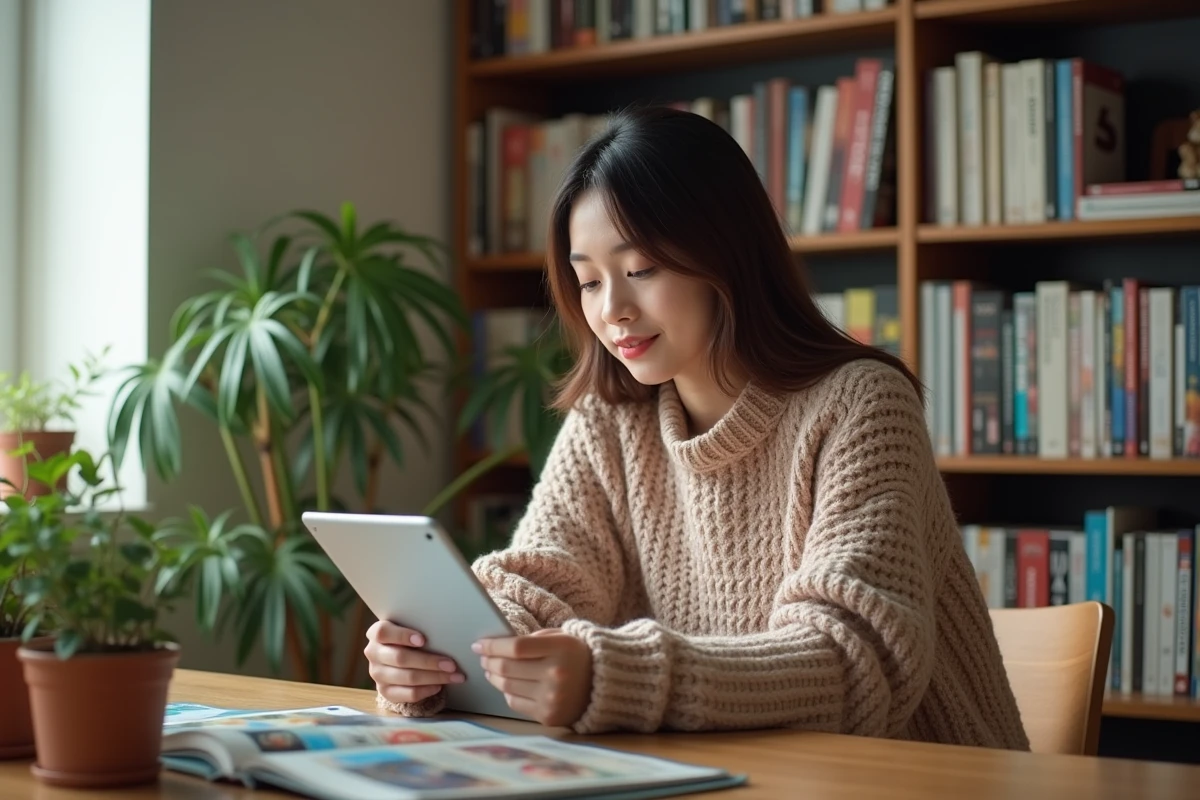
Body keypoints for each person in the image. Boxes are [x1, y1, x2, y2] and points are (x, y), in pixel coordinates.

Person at [364, 106, 1029, 750]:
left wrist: (622, 676)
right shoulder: (611, 420)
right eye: (589, 282)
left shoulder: (861, 405)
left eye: (640, 271)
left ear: (725, 253)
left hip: (914, 776)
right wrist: (451, 653)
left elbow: (855, 657)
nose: (613, 310)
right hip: (730, 774)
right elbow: (541, 581)